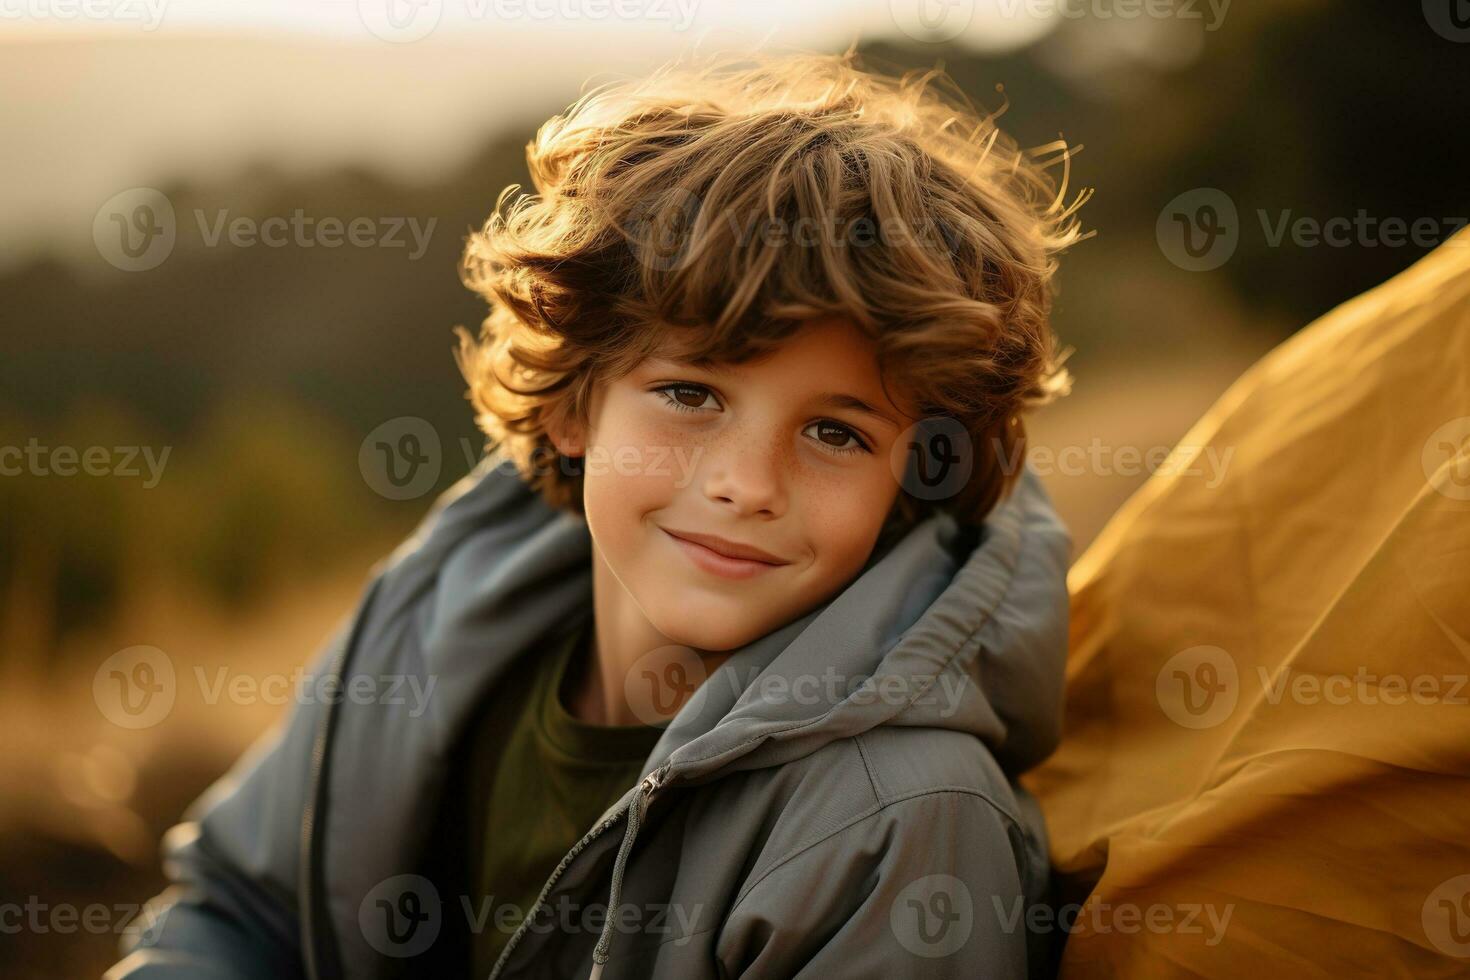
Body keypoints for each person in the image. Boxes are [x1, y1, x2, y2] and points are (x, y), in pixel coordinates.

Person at [110, 46, 1087, 979]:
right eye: (693, 394)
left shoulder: (901, 825)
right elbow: (243, 905)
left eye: (836, 432)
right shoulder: (435, 610)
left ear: (911, 481)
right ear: (576, 403)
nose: (748, 483)